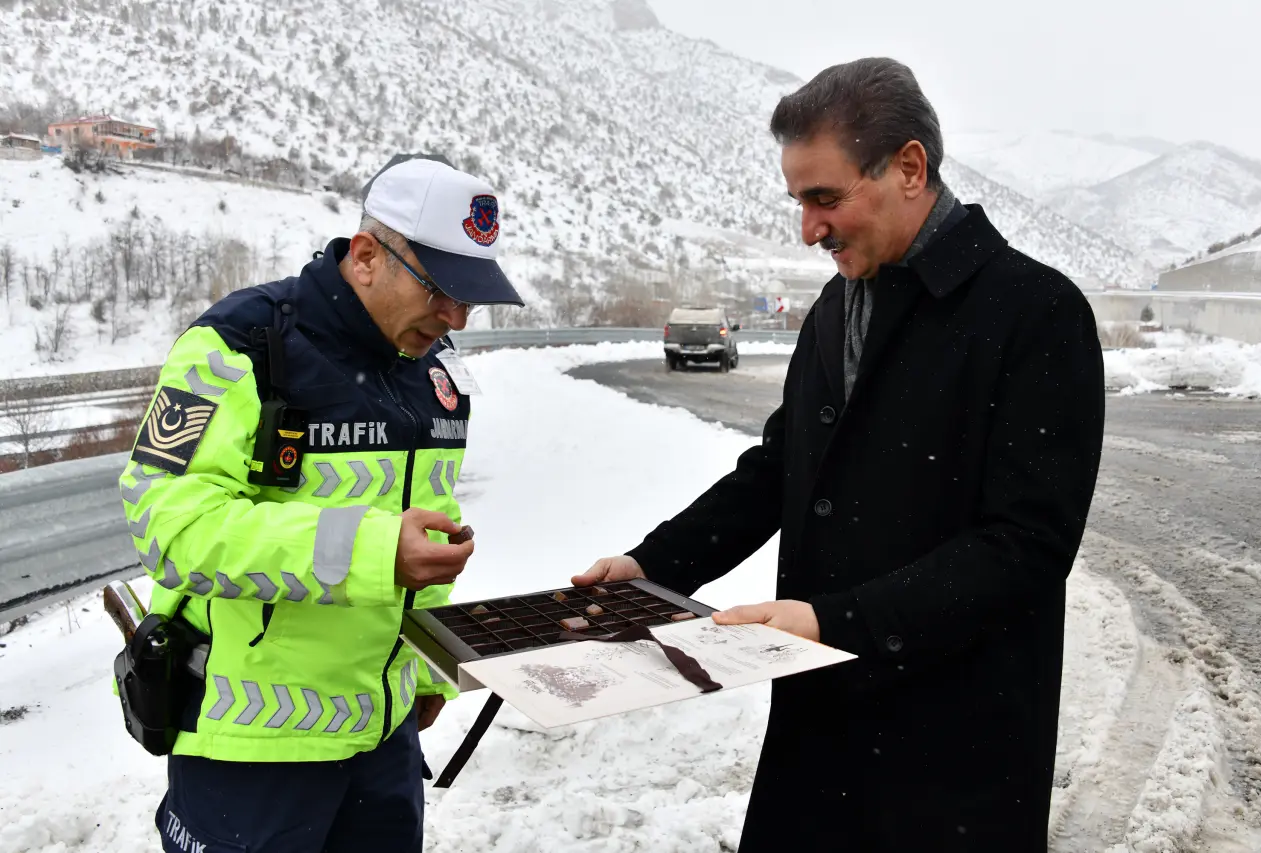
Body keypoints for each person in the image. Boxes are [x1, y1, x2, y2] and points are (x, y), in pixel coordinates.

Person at [574, 57, 1105, 852]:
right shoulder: (835, 307)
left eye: (825, 198)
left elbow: (1026, 547)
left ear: (910, 168)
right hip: (821, 731)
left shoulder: (1036, 312)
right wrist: (652, 567)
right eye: (798, 201)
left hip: (952, 755)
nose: (808, 228)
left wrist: (836, 622)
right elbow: (781, 470)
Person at [117, 156, 524, 853]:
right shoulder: (235, 346)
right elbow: (170, 522)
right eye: (442, 290)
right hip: (253, 748)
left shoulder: (433, 373)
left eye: (471, 299)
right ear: (368, 257)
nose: (456, 316)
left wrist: (427, 668)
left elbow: (426, 531)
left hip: (384, 743)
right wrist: (373, 550)